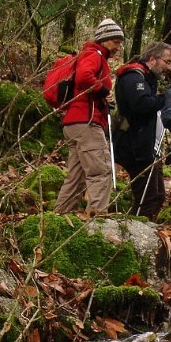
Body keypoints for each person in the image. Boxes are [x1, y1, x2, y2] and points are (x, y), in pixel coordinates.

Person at [53, 18, 125, 217]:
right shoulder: (95, 54)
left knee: (76, 177)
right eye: (116, 42)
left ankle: (59, 217)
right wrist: (104, 91)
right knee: (100, 171)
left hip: (73, 124)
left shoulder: (90, 54)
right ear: (104, 39)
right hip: (87, 123)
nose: (118, 47)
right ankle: (97, 218)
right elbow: (84, 76)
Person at [113, 41, 171, 218]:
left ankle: (140, 227)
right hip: (134, 147)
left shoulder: (147, 79)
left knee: (157, 196)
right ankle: (135, 230)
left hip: (145, 147)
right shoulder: (133, 77)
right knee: (147, 198)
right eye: (167, 62)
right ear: (153, 59)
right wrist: (167, 98)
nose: (169, 68)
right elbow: (141, 104)